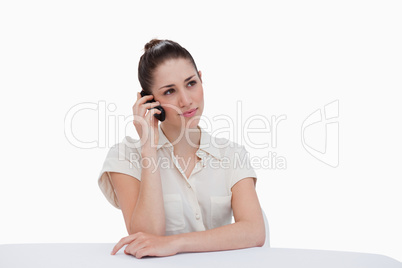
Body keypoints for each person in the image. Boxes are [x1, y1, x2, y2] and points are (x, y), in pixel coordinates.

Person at [97, 38, 266, 259]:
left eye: (191, 83)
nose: (186, 100)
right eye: (169, 92)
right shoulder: (125, 156)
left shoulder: (232, 154)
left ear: (201, 79)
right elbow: (145, 237)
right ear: (150, 101)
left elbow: (254, 231)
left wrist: (175, 243)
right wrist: (149, 148)